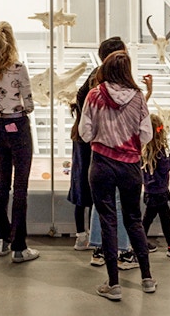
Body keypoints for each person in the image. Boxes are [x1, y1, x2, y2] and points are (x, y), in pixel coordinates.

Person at [79, 51, 156, 300]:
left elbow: (85, 132)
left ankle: (113, 284)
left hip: (101, 164)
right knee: (134, 219)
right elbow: (147, 134)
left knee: (108, 221)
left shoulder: (94, 94)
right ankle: (147, 278)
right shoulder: (138, 97)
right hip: (130, 166)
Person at [0, 21, 39, 263]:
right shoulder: (19, 68)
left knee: (2, 184)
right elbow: (30, 105)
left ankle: (2, 239)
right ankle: (19, 247)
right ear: (12, 41)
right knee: (20, 188)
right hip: (19, 128)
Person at [69, 36, 126, 252]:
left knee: (86, 186)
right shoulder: (102, 79)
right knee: (91, 187)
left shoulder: (99, 77)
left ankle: (90, 237)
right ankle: (96, 240)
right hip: (93, 143)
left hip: (88, 139)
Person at [141, 113, 170, 257]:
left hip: (150, 190)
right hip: (159, 191)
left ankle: (168, 243)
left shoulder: (144, 149)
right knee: (159, 218)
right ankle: (169, 244)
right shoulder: (159, 150)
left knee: (153, 217)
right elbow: (164, 167)